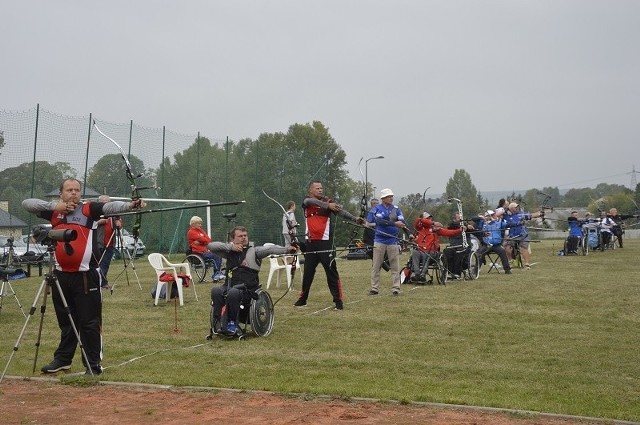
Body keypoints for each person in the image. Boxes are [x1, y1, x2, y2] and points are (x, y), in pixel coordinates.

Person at [22, 178, 145, 375]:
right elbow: (26, 204)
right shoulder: (55, 211)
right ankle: (63, 360)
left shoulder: (88, 209)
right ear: (61, 193)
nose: (74, 193)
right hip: (61, 276)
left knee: (89, 322)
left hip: (86, 275)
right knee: (67, 321)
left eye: (77, 190)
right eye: (69, 190)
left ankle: (92, 365)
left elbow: (111, 207)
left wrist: (131, 205)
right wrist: (57, 206)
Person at [209, 226, 296, 335]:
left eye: (245, 235)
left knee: (233, 293)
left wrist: (287, 249)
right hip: (229, 285)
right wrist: (230, 247)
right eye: (240, 236)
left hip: (248, 289)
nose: (243, 238)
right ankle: (218, 322)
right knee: (216, 291)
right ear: (233, 239)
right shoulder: (229, 251)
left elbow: (270, 249)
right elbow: (211, 246)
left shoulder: (255, 251)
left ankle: (232, 324)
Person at [294, 180, 364, 310]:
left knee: (331, 271)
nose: (320, 190)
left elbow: (341, 211)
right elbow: (310, 202)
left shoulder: (328, 201)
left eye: (321, 188)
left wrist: (355, 218)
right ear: (311, 190)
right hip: (310, 243)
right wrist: (327, 205)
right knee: (308, 272)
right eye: (317, 188)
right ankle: (303, 299)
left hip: (325, 244)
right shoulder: (307, 200)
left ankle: (338, 301)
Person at [367, 188, 412, 296]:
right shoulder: (377, 209)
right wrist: (394, 224)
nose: (391, 198)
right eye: (388, 197)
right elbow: (379, 221)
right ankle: (374, 288)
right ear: (383, 198)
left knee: (395, 266)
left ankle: (396, 288)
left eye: (392, 196)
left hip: (393, 240)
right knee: (376, 266)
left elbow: (402, 222)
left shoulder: (396, 209)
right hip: (379, 240)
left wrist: (409, 233)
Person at [410, 212, 461, 283]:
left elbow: (449, 232)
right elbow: (419, 220)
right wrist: (433, 223)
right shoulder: (419, 228)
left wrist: (460, 230)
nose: (429, 220)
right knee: (415, 252)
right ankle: (417, 274)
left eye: (430, 218)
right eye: (427, 218)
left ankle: (423, 275)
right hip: (420, 251)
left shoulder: (435, 229)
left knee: (426, 254)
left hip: (432, 253)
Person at [503, 202, 544, 269]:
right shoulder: (507, 215)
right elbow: (498, 213)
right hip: (512, 235)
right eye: (515, 207)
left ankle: (527, 263)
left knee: (524, 248)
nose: (517, 208)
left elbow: (531, 215)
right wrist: (506, 209)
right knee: (507, 247)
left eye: (517, 207)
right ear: (511, 208)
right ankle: (511, 261)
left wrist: (540, 214)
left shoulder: (521, 214)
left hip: (523, 234)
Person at [95, 195, 122, 290]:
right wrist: (98, 222)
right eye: (104, 202)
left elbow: (119, 223)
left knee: (105, 263)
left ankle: (103, 282)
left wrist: (119, 224)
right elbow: (89, 224)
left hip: (110, 243)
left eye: (108, 202)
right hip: (98, 243)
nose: (106, 203)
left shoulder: (113, 213)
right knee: (96, 264)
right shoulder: (95, 212)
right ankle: (97, 282)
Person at [187, 216, 224, 281]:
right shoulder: (191, 232)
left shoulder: (201, 230)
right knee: (216, 255)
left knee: (218, 253)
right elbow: (204, 240)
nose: (200, 225)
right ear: (193, 224)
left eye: (200, 223)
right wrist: (203, 241)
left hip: (204, 252)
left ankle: (217, 273)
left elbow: (208, 240)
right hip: (198, 254)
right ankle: (216, 274)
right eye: (198, 223)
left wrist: (201, 242)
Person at [443, 212, 476, 279]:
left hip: (464, 246)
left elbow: (473, 229)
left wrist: (468, 227)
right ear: (454, 219)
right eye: (459, 218)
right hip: (454, 246)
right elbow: (452, 225)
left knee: (459, 253)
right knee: (446, 251)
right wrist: (464, 226)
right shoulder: (451, 225)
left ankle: (456, 273)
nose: (461, 219)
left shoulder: (466, 224)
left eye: (461, 218)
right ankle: (449, 272)